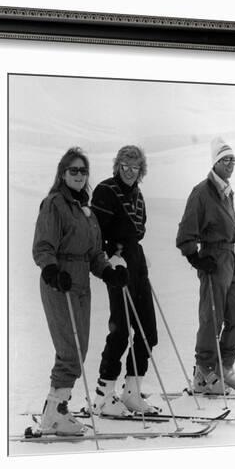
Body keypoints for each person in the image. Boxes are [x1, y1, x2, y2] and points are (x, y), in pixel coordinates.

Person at [32, 147, 129, 435]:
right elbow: (43, 246)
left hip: (80, 284)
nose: (78, 175)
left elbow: (94, 254)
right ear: (63, 173)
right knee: (69, 350)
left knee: (79, 349)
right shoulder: (54, 204)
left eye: (83, 171)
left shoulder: (85, 210)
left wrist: (109, 271)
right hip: (59, 282)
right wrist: (51, 270)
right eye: (73, 170)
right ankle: (54, 413)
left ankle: (57, 408)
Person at [176, 137, 235, 393]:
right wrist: (196, 257)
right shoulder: (202, 192)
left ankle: (225, 367)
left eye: (233, 159)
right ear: (215, 163)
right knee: (212, 316)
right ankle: (204, 372)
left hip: (231, 257)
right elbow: (186, 232)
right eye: (225, 160)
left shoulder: (228, 191)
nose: (230, 164)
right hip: (214, 258)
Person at [90, 145, 159, 416]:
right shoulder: (106, 190)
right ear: (117, 166)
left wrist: (138, 256)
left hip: (136, 262)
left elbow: (137, 232)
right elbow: (96, 231)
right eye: (125, 166)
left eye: (135, 167)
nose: (130, 172)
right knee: (121, 330)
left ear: (141, 170)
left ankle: (131, 391)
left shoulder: (138, 195)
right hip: (117, 264)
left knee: (148, 331)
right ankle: (103, 395)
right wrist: (111, 256)